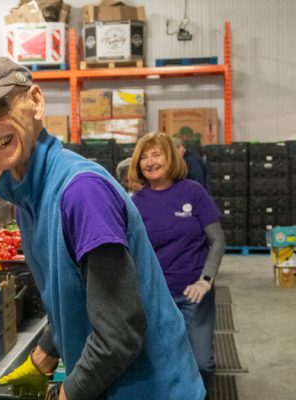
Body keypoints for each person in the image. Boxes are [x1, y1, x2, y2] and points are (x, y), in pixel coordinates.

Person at [0, 57, 206, 400]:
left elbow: (120, 333)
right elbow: (71, 293)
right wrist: (46, 351)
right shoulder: (27, 196)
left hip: (149, 390)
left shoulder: (81, 192)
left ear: (35, 102)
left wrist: (68, 393)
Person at [129, 132, 225, 396]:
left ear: (170, 157)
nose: (150, 162)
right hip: (157, 298)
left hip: (194, 293)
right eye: (144, 157)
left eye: (156, 154)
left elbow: (217, 241)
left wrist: (206, 279)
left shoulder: (193, 192)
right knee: (163, 363)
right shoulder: (135, 204)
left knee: (202, 363)